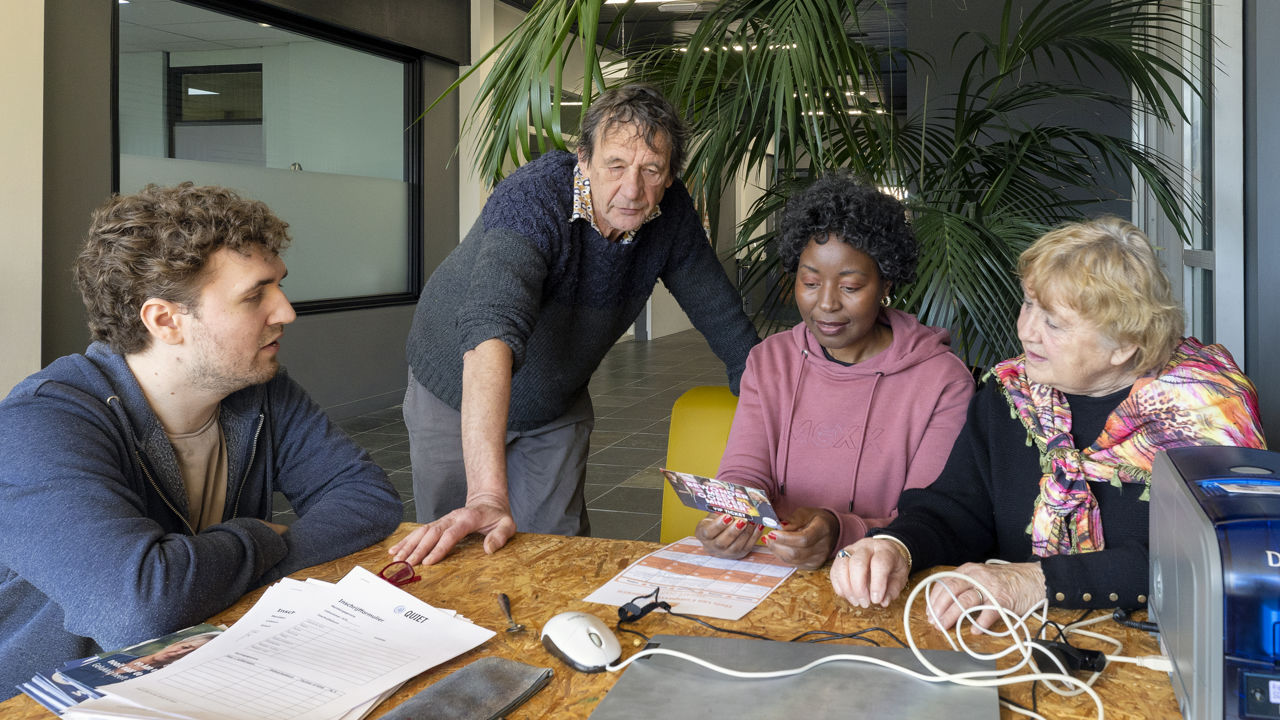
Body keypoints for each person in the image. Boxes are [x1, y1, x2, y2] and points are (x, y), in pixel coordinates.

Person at [0, 184, 403, 701]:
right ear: (165, 320)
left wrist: (211, 569)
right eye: (255, 295)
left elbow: (367, 500)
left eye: (278, 286)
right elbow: (140, 608)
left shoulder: (257, 386)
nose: (285, 311)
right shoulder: (40, 425)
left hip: (204, 675)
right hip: (53, 702)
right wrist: (257, 537)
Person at [830, 217, 1267, 630]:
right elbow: (958, 509)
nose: (1026, 331)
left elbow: (1222, 561)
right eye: (1029, 304)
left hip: (1163, 661)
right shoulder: (1013, 395)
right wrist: (896, 545)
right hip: (1024, 647)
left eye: (1054, 323)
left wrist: (1033, 582)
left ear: (1124, 346)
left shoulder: (1207, 415)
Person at [393, 84, 760, 566]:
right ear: (583, 159)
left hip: (554, 399)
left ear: (670, 176)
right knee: (457, 547)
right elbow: (492, 329)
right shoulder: (533, 198)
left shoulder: (670, 216)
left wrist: (774, 401)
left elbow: (723, 317)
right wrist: (486, 495)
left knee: (557, 553)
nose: (632, 189)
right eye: (615, 165)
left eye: (651, 170)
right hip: (457, 387)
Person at [693, 174, 975, 569]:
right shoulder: (769, 361)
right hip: (772, 570)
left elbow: (930, 519)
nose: (825, 304)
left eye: (851, 286)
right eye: (810, 282)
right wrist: (735, 514)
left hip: (880, 579)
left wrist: (840, 530)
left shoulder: (942, 383)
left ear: (885, 284)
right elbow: (746, 468)